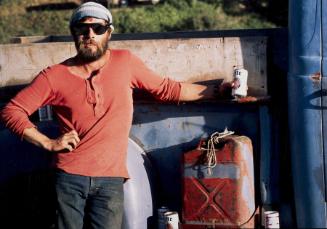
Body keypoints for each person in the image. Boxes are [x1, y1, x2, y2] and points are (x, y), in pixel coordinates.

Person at [0, 2, 238, 229]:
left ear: (109, 33)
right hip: (69, 178)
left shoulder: (126, 63)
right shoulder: (54, 76)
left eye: (98, 28)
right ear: (74, 33)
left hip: (111, 180)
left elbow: (168, 89)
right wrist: (48, 142)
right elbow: (12, 111)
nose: (90, 34)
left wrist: (216, 90)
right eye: (83, 28)